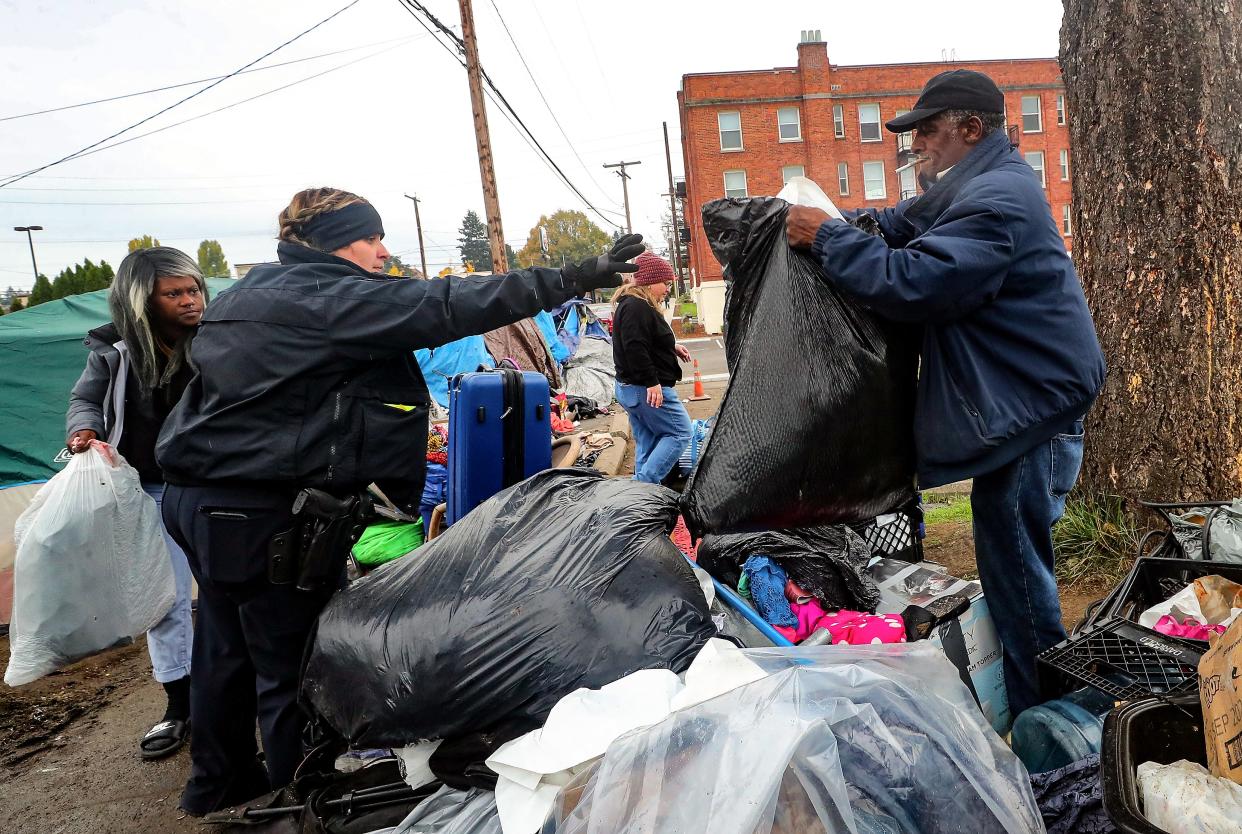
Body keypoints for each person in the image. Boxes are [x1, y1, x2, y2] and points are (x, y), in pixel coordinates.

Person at [154, 186, 642, 815]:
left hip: (200, 500)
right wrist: (577, 274)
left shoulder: (248, 293)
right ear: (336, 242)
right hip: (264, 514)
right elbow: (450, 304)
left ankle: (217, 785)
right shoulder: (328, 297)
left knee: (223, 647)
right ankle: (302, 806)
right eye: (371, 237)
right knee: (293, 668)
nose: (383, 251)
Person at [786, 69, 1106, 717]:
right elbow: (899, 224)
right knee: (1014, 566)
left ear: (970, 129)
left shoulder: (997, 201)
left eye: (928, 132)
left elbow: (916, 282)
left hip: (1033, 413)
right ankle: (1041, 709)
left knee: (1018, 579)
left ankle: (1054, 728)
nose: (918, 145)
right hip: (1025, 404)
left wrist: (825, 236)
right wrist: (840, 222)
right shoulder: (976, 188)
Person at [65, 246, 208, 759]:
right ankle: (180, 705)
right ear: (142, 302)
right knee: (164, 601)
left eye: (193, 290)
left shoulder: (218, 342)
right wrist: (85, 429)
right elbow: (85, 399)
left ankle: (235, 695)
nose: (190, 301)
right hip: (148, 489)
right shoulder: (114, 352)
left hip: (211, 487)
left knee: (228, 591)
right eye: (174, 294)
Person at [611, 251, 693, 484]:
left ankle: (639, 501)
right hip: (645, 388)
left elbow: (643, 340)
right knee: (680, 433)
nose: (667, 289)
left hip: (632, 388)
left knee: (646, 440)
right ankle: (645, 484)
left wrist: (671, 346)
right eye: (665, 283)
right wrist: (652, 383)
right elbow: (635, 347)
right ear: (649, 281)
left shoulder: (633, 305)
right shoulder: (637, 307)